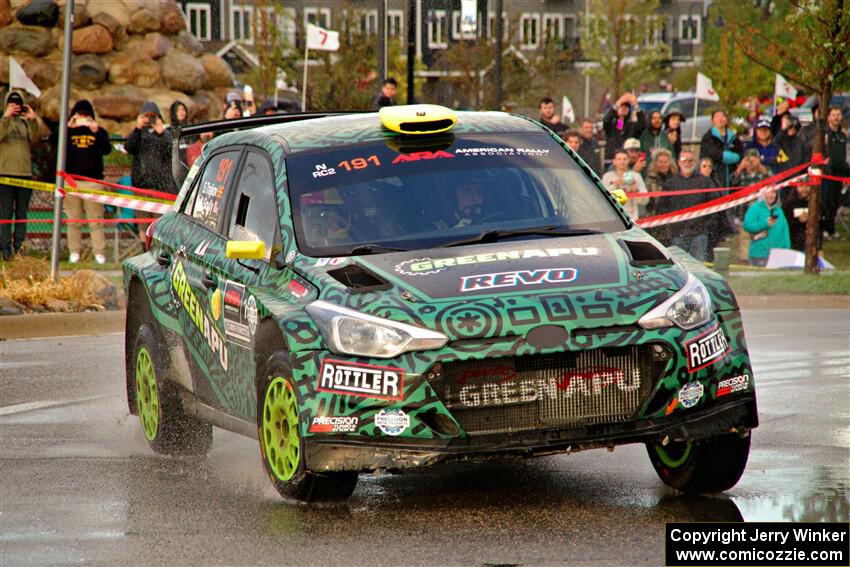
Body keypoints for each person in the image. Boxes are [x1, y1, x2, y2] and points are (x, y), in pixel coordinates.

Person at [50, 99, 112, 264]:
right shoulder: (68, 131)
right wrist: (68, 126)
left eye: (86, 115)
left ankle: (99, 253)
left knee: (96, 220)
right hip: (71, 183)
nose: (83, 118)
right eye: (80, 115)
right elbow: (52, 141)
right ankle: (74, 252)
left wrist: (96, 131)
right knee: (73, 219)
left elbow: (107, 149)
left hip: (94, 182)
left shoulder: (98, 131)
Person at [125, 101, 175, 244]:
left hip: (161, 187)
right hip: (141, 186)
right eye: (146, 116)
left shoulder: (165, 133)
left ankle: (159, 252)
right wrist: (137, 128)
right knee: (143, 224)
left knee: (159, 223)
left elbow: (170, 151)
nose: (149, 120)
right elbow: (129, 147)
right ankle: (144, 250)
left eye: (153, 116)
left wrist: (162, 133)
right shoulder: (138, 134)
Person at [0, 91, 41, 261]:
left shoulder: (25, 124)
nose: (15, 107)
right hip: (5, 174)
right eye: (12, 104)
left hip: (24, 174)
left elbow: (36, 140)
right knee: (5, 214)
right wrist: (6, 117)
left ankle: (19, 248)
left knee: (22, 214)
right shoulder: (3, 121)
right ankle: (5, 249)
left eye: (18, 104)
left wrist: (33, 121)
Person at [655, 150, 714, 261]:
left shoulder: (705, 182)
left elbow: (714, 206)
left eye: (690, 160)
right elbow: (662, 208)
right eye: (684, 160)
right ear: (678, 162)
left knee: (699, 267)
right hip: (677, 233)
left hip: (699, 233)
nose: (687, 163)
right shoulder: (670, 183)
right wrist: (670, 226)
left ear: (695, 162)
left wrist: (707, 225)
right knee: (679, 267)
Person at [742, 187, 790, 266]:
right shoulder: (754, 208)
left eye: (774, 192)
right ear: (762, 193)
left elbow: (785, 231)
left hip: (779, 255)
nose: (771, 195)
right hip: (760, 254)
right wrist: (764, 224)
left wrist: (787, 250)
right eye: (768, 192)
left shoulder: (779, 210)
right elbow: (747, 226)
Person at [821, 105, 849, 240]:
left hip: (839, 174)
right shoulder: (824, 134)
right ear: (828, 117)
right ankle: (824, 229)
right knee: (825, 202)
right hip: (827, 174)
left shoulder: (843, 135)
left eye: (838, 114)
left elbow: (845, 154)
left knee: (835, 202)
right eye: (833, 115)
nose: (836, 117)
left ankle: (831, 229)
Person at [700, 109, 743, 189]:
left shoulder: (733, 138)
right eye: (717, 116)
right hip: (715, 174)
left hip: (732, 175)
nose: (720, 118)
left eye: (723, 116)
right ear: (712, 121)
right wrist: (730, 157)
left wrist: (732, 157)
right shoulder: (708, 137)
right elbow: (712, 154)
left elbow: (740, 153)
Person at [601, 149, 648, 219]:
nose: (622, 162)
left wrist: (635, 191)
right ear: (614, 161)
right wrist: (615, 186)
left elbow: (645, 200)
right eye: (619, 159)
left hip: (632, 217)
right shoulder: (607, 177)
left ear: (628, 160)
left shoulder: (635, 176)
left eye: (624, 159)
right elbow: (602, 198)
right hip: (613, 217)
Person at [643, 149, 677, 240]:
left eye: (666, 162)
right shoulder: (650, 180)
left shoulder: (676, 178)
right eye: (660, 162)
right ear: (655, 163)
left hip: (674, 221)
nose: (663, 164)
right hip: (656, 222)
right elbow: (649, 202)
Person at [782, 183, 816, 252]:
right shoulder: (788, 205)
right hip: (792, 245)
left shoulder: (815, 204)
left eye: (807, 186)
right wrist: (798, 221)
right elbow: (784, 225)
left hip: (811, 245)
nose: (804, 189)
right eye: (801, 186)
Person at [167, 101, 191, 166]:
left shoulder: (191, 128)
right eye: (178, 110)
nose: (181, 112)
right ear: (173, 113)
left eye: (183, 110)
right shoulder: (168, 131)